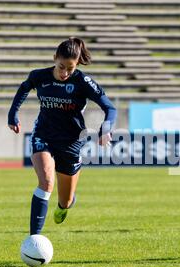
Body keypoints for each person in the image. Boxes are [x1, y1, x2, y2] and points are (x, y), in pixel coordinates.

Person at [8, 37, 117, 235]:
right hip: (44, 135)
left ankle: (65, 205)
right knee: (47, 181)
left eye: (70, 68)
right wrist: (12, 114)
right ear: (54, 58)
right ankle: (34, 239)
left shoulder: (83, 81)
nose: (65, 73)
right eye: (61, 67)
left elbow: (109, 108)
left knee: (65, 201)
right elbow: (24, 88)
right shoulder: (39, 76)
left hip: (71, 142)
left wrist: (106, 128)